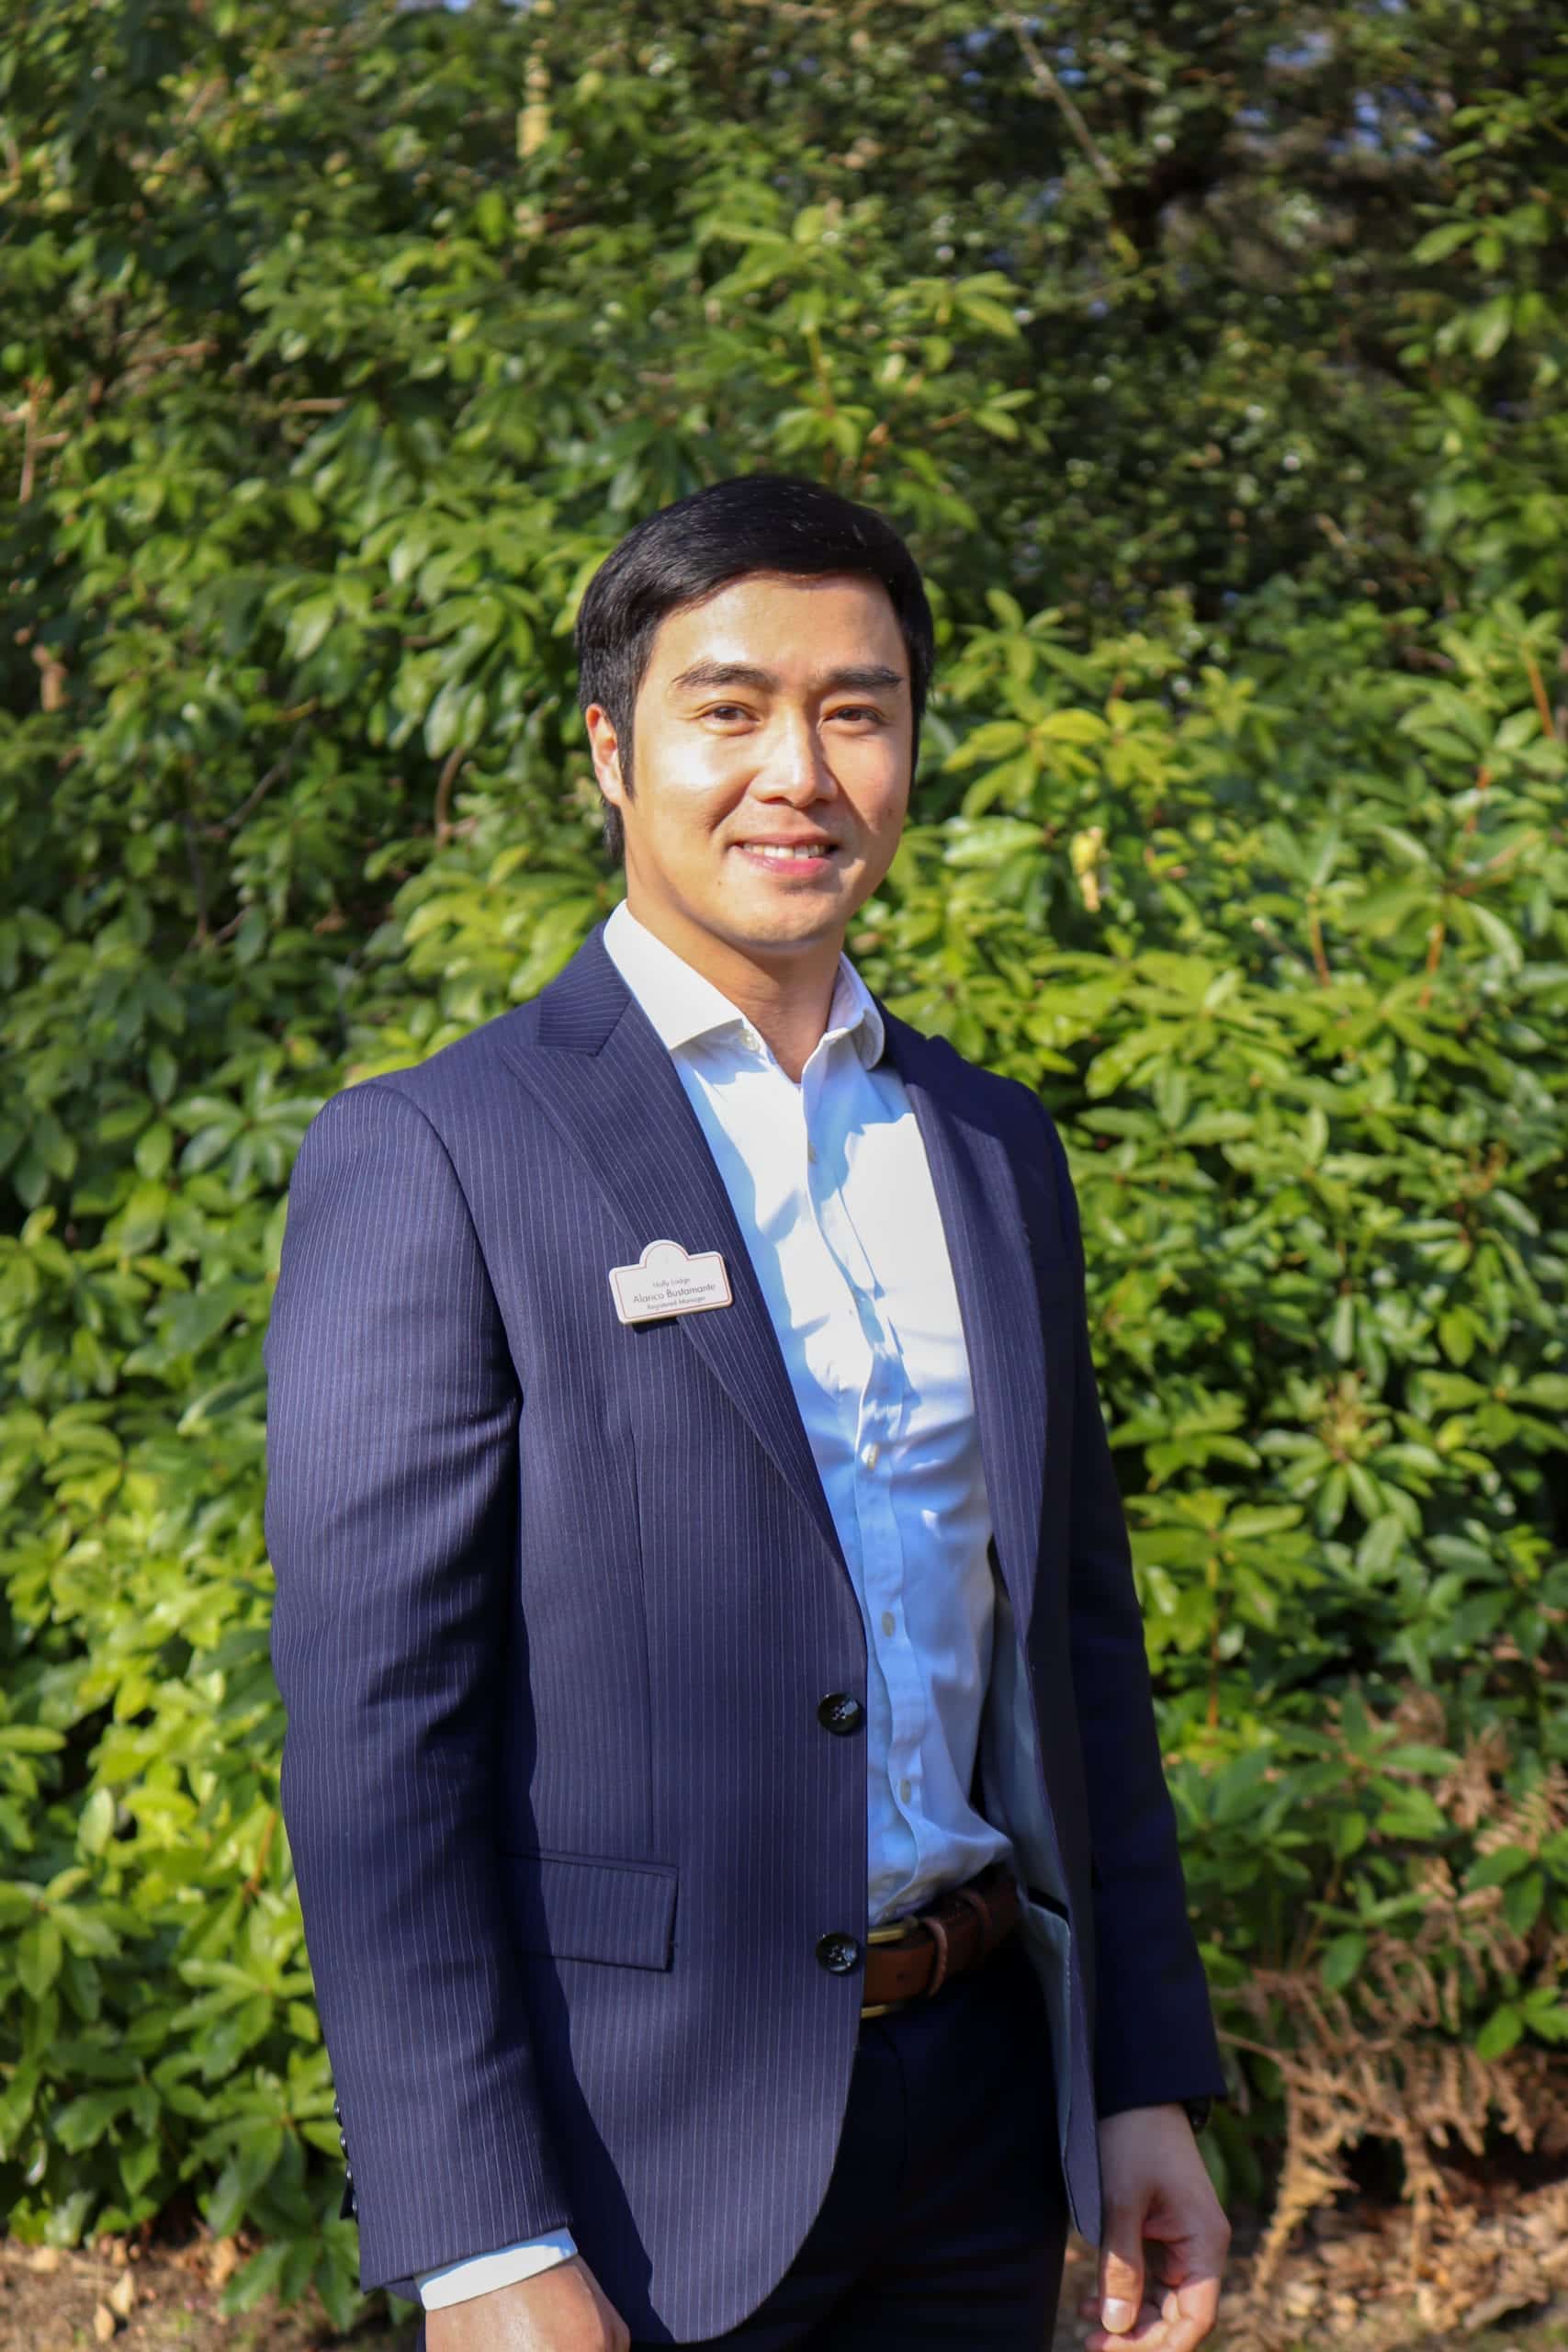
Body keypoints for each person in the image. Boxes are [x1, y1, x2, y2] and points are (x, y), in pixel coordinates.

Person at [264, 471, 1230, 2352]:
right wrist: (477, 2237)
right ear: (609, 752)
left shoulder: (991, 1147)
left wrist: (1135, 2077)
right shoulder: (439, 1150)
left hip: (980, 2119)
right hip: (631, 2166)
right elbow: (379, 1737)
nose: (799, 770)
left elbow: (1075, 1651)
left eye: (855, 710)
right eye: (730, 708)